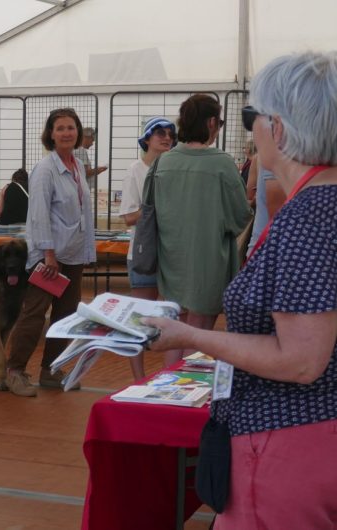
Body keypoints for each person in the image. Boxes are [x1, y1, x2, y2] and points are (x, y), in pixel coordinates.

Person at [144, 51, 337, 529]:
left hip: (286, 441)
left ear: (281, 130)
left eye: (253, 118)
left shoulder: (310, 216)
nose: (250, 129)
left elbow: (301, 360)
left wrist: (189, 337)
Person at [150, 94, 252, 366]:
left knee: (174, 325)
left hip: (171, 258)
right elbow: (241, 215)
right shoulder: (221, 163)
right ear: (210, 123)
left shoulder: (164, 162)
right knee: (198, 331)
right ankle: (186, 391)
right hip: (208, 259)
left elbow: (150, 207)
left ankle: (166, 385)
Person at [5, 108, 96, 397]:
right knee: (34, 314)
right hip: (50, 256)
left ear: (78, 133)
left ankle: (51, 370)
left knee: (66, 315)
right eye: (60, 128)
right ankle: (14, 371)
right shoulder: (45, 169)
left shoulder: (78, 166)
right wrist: (48, 254)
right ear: (50, 135)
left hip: (74, 254)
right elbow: (39, 215)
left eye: (71, 127)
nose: (67, 133)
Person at [118, 117, 176, 380]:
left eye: (170, 134)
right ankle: (139, 379)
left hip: (173, 252)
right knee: (140, 317)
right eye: (160, 133)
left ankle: (169, 375)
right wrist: (157, 209)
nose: (166, 138)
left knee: (173, 317)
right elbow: (128, 216)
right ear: (147, 139)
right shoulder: (135, 170)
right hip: (144, 252)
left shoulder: (174, 170)